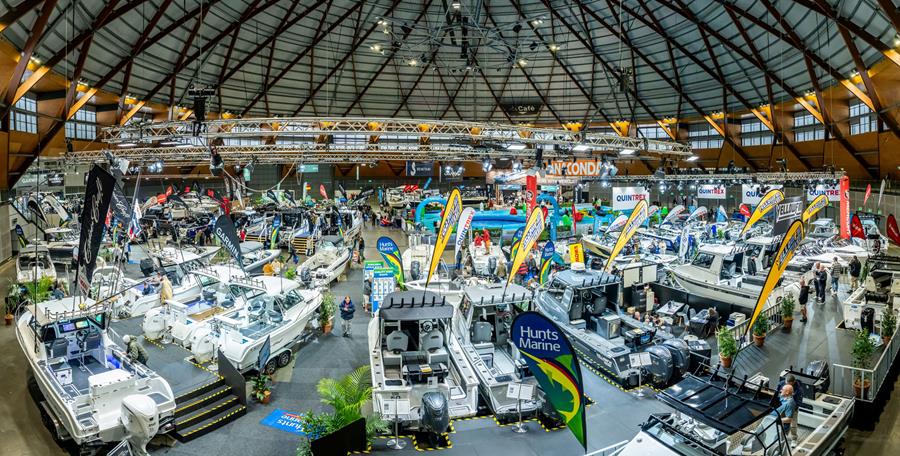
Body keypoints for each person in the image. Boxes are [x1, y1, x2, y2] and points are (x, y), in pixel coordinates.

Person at [777, 374, 805, 442]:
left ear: (794, 382)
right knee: (783, 423)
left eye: (790, 384)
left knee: (793, 424)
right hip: (783, 406)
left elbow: (798, 402)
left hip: (793, 408)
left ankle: (794, 439)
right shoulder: (781, 383)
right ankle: (782, 438)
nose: (788, 385)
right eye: (787, 384)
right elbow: (777, 393)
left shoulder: (799, 389)